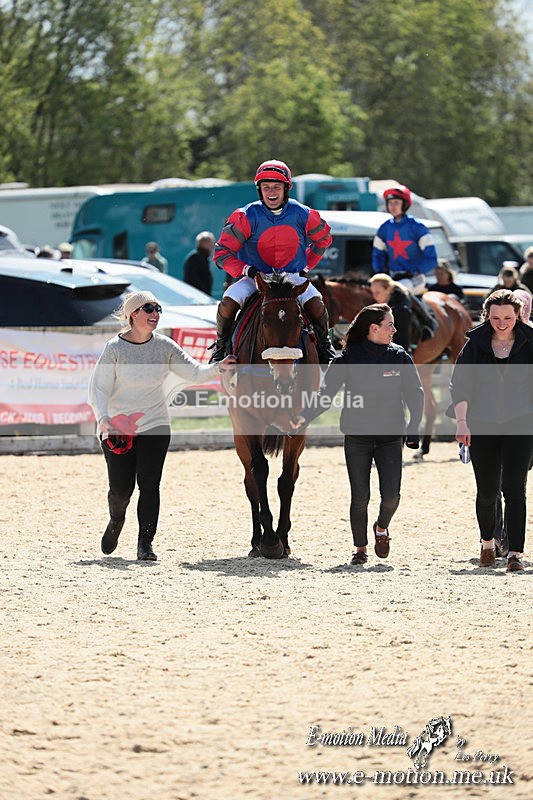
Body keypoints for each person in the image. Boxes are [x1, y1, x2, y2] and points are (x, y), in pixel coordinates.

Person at [88, 290, 234, 561]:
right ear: (133, 315)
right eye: (149, 309)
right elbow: (99, 387)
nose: (155, 314)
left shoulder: (165, 345)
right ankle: (116, 520)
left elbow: (194, 372)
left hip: (155, 424)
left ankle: (145, 543)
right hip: (118, 427)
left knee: (149, 484)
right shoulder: (115, 349)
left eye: (158, 309)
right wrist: (103, 417)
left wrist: (219, 366)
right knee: (121, 490)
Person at [290, 303, 424, 565]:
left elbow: (415, 395)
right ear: (374, 328)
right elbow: (325, 396)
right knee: (360, 495)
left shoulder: (399, 357)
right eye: (390, 325)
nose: (394, 330)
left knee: (392, 496)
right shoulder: (347, 359)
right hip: (357, 436)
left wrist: (413, 426)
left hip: (390, 436)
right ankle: (360, 549)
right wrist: (304, 416)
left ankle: (382, 528)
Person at [210, 159, 336, 365]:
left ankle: (324, 346)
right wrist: (248, 271)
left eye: (277, 187)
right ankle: (221, 345)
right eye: (266, 187)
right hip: (257, 279)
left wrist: (306, 266)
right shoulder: (245, 215)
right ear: (259, 190)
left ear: (286, 188)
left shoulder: (303, 213)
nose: (271, 192)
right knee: (228, 301)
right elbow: (222, 253)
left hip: (292, 278)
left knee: (317, 303)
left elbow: (324, 239)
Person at [450, 289, 533, 572]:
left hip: (521, 424)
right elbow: (460, 385)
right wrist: (462, 422)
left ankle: (515, 554)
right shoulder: (474, 344)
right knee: (487, 490)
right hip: (482, 424)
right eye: (495, 317)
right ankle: (488, 544)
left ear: (518, 315)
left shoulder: (530, 342)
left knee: (514, 489)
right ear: (487, 315)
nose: (501, 323)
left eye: (508, 317)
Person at [372, 184, 438, 295]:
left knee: (399, 291)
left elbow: (431, 259)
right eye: (390, 203)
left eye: (396, 203)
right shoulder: (384, 228)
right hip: (391, 278)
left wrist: (412, 271)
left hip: (414, 278)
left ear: (405, 204)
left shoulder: (418, 227)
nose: (393, 206)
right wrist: (381, 273)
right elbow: (377, 255)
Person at [369, 272, 434, 351]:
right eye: (372, 292)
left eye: (377, 292)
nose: (374, 296)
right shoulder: (375, 303)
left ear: (388, 289)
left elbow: (402, 342)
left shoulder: (402, 309)